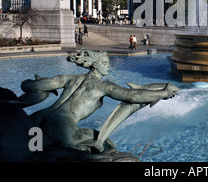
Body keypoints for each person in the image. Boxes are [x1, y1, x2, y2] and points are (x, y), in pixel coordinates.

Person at [18, 49, 179, 153]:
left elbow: (29, 86)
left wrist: (38, 85)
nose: (108, 66)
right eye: (104, 63)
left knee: (32, 153)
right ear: (94, 65)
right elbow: (133, 97)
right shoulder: (103, 86)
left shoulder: (68, 78)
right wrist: (163, 93)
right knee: (104, 144)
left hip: (36, 119)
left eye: (108, 63)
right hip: (62, 127)